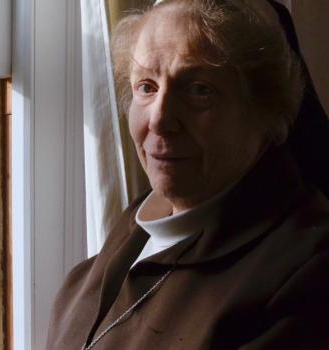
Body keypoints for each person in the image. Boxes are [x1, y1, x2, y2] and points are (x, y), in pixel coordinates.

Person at [46, 0, 329, 349]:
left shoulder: (308, 275)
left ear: (266, 110)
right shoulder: (137, 224)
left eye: (199, 89)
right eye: (147, 87)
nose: (160, 119)